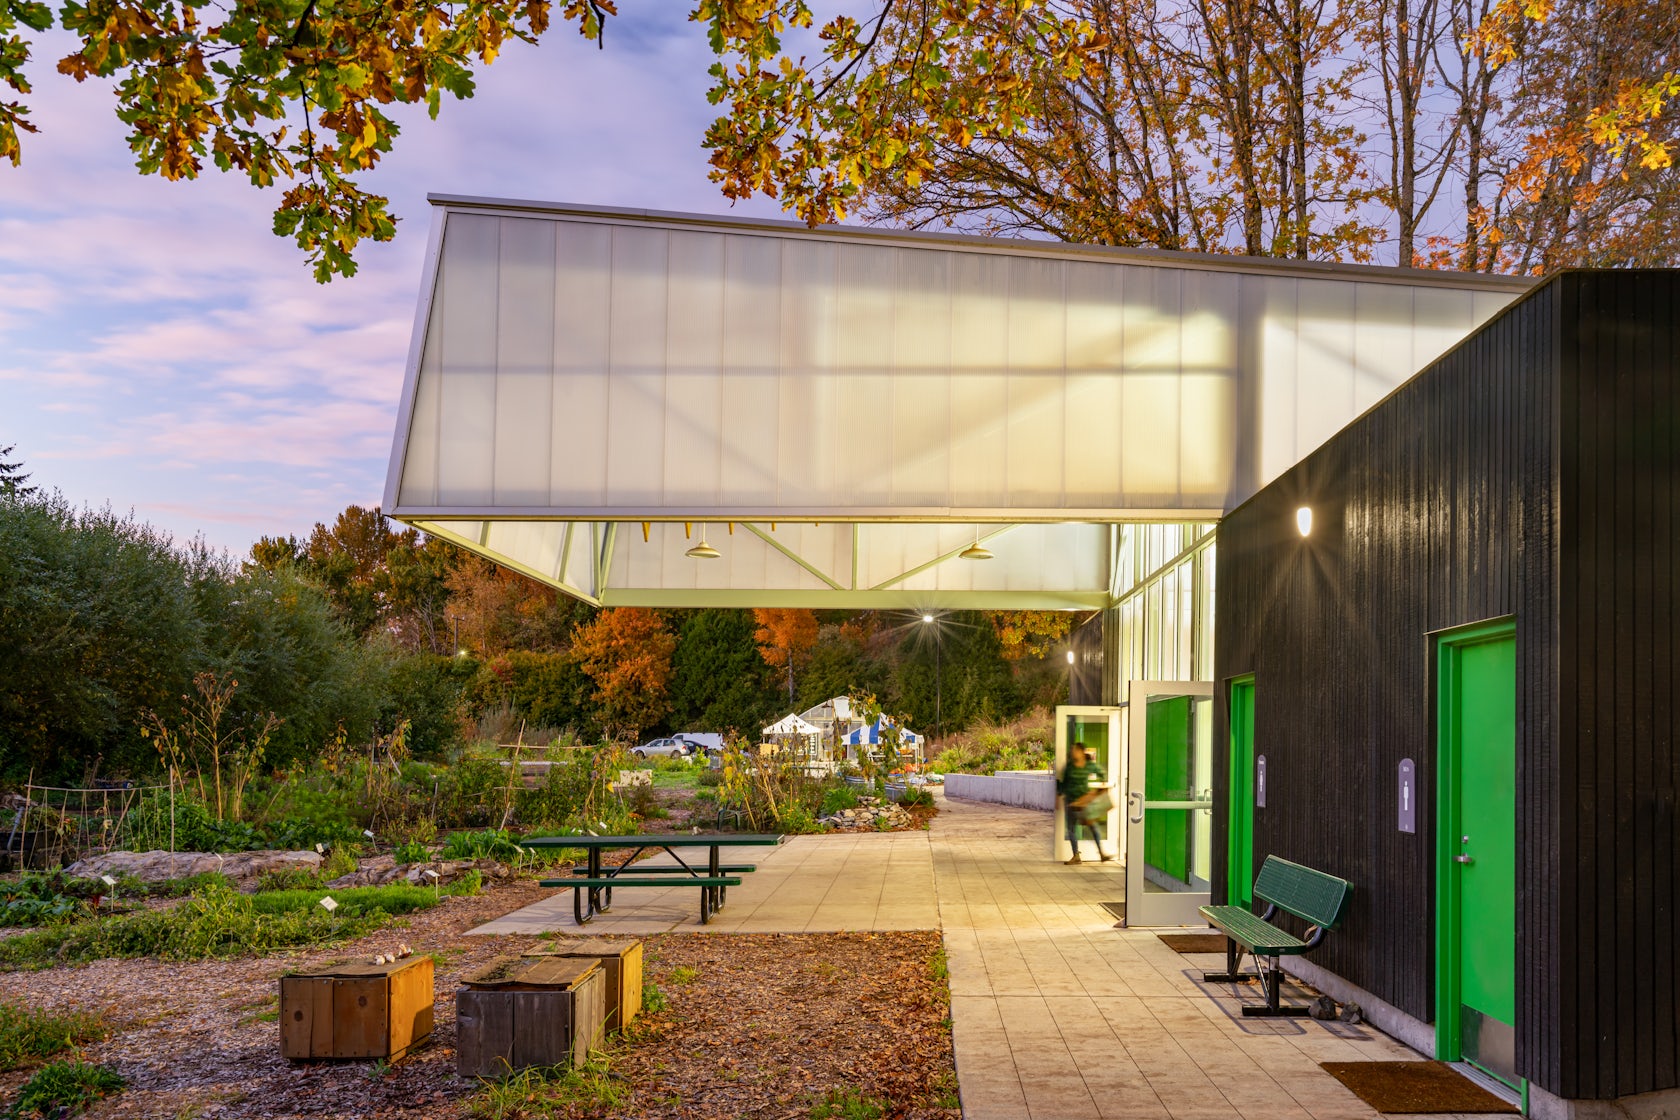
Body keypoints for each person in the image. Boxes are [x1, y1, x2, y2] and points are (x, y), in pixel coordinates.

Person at [1056, 743, 1113, 864]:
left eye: (1075, 750)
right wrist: (1059, 796)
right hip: (1071, 802)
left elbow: (1101, 773)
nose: (1073, 752)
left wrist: (1101, 785)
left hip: (1085, 802)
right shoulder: (1070, 766)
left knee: (1093, 827)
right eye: (1072, 750)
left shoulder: (1089, 765)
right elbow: (1064, 783)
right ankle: (1076, 855)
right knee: (1071, 829)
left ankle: (1102, 853)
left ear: (1082, 752)